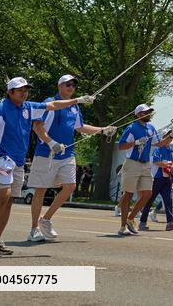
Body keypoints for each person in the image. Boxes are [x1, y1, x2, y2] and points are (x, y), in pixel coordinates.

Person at [0, 77, 93, 255]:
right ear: (10, 92)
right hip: (0, 158)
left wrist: (77, 100)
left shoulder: (28, 107)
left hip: (18, 161)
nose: (24, 93)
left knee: (9, 201)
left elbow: (53, 105)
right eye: (20, 90)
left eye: (26, 90)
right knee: (4, 196)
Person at [27, 74, 115, 243]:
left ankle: (46, 219)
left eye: (73, 85)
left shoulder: (75, 107)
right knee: (41, 190)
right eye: (67, 84)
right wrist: (51, 143)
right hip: (46, 154)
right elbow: (37, 127)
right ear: (59, 86)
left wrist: (103, 130)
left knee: (70, 186)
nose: (71, 87)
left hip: (67, 154)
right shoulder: (50, 102)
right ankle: (34, 229)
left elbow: (80, 127)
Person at [116, 103, 173, 237]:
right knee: (128, 194)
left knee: (148, 194)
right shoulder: (131, 128)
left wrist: (171, 136)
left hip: (145, 164)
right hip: (132, 163)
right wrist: (136, 142)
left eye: (149, 111)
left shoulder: (151, 128)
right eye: (145, 112)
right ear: (138, 115)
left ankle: (130, 218)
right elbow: (121, 146)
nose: (148, 114)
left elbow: (159, 144)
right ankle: (122, 226)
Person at [139, 140, 173, 232]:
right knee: (149, 200)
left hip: (167, 179)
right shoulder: (158, 149)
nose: (169, 140)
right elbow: (156, 162)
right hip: (156, 178)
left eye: (170, 138)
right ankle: (142, 222)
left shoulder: (171, 151)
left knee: (168, 201)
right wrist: (168, 165)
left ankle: (170, 223)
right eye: (167, 138)